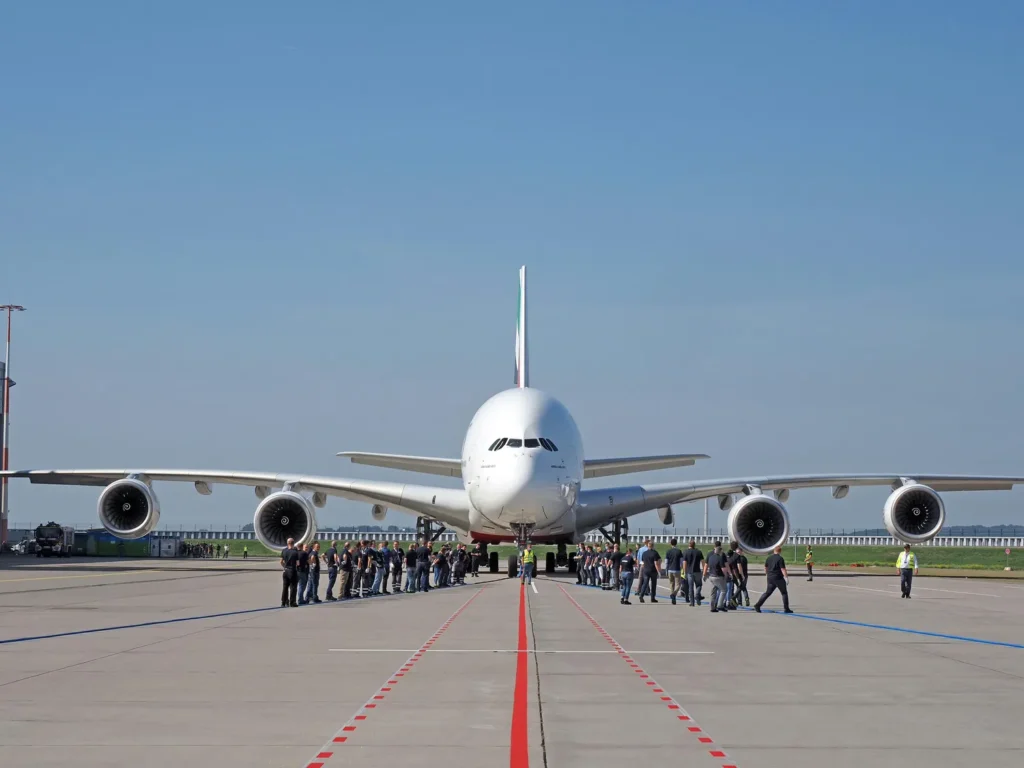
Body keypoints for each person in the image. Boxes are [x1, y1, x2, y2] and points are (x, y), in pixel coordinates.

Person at [754, 545, 793, 613]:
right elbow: (782, 569)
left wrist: (767, 574)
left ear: (774, 551)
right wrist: (786, 577)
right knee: (784, 593)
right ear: (780, 551)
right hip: (778, 578)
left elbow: (765, 567)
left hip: (770, 578)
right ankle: (786, 608)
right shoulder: (780, 559)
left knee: (767, 593)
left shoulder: (769, 558)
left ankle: (758, 605)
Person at [703, 541, 731, 613]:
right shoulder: (721, 557)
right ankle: (720, 605)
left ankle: (712, 607)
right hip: (718, 576)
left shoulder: (710, 555)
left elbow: (706, 565)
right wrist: (727, 575)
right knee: (724, 590)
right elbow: (724, 567)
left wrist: (704, 574)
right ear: (720, 550)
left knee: (713, 592)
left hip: (711, 576)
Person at [682, 539, 704, 607]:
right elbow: (703, 561)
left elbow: (684, 563)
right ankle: (697, 594)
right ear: (694, 545)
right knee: (699, 585)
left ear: (689, 544)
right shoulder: (698, 552)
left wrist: (684, 572)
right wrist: (703, 570)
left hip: (689, 572)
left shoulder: (685, 552)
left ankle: (692, 602)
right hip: (697, 571)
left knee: (690, 587)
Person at [280, 538, 299, 607]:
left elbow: (281, 561)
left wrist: (285, 567)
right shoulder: (295, 552)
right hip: (292, 571)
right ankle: (292, 602)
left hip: (285, 571)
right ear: (293, 543)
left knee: (285, 587)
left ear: (287, 543)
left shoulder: (284, 551)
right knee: (293, 587)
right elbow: (298, 563)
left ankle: (283, 602)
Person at [664, 538, 683, 605]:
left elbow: (666, 562)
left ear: (671, 544)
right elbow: (681, 561)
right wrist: (681, 568)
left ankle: (673, 596)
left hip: (670, 569)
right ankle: (674, 594)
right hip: (677, 569)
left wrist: (666, 569)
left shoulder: (668, 551)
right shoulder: (679, 551)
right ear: (676, 543)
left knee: (672, 583)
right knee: (678, 584)